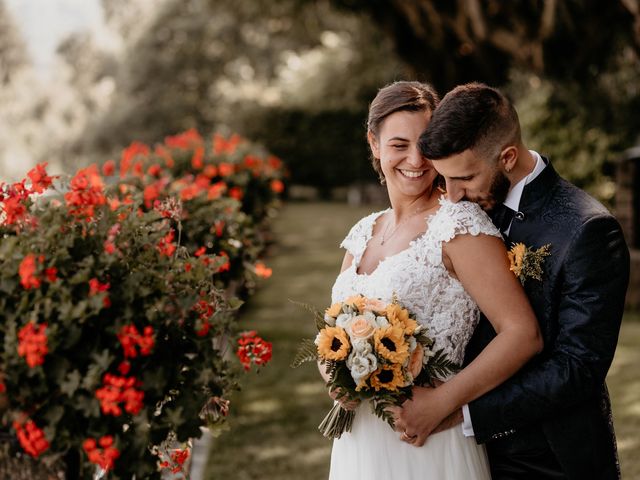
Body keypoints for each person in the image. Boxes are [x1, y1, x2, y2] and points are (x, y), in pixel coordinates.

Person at [324, 80, 543, 480]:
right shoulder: (363, 232)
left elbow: (521, 333)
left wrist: (443, 402)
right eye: (398, 144)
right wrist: (334, 373)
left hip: (429, 439)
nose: (415, 159)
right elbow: (332, 329)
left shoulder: (459, 226)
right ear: (373, 144)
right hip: (359, 440)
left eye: (424, 144)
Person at [418, 82, 631, 479]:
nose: (451, 195)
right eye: (444, 179)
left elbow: (578, 367)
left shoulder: (587, 229)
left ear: (508, 156)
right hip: (460, 454)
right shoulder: (459, 213)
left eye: (464, 178)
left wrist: (461, 412)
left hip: (548, 456)